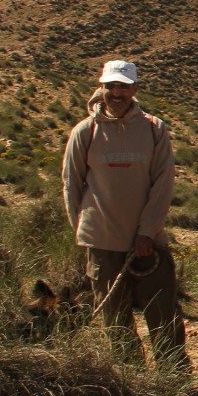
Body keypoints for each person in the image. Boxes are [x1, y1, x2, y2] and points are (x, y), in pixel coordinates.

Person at [60, 60, 185, 370]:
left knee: (162, 312)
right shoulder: (85, 132)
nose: (116, 93)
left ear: (135, 89)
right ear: (102, 88)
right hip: (103, 242)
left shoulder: (154, 129)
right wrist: (86, 231)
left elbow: (162, 182)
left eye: (123, 86)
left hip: (148, 241)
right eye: (111, 86)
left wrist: (147, 231)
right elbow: (71, 184)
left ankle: (175, 376)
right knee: (114, 318)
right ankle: (131, 377)